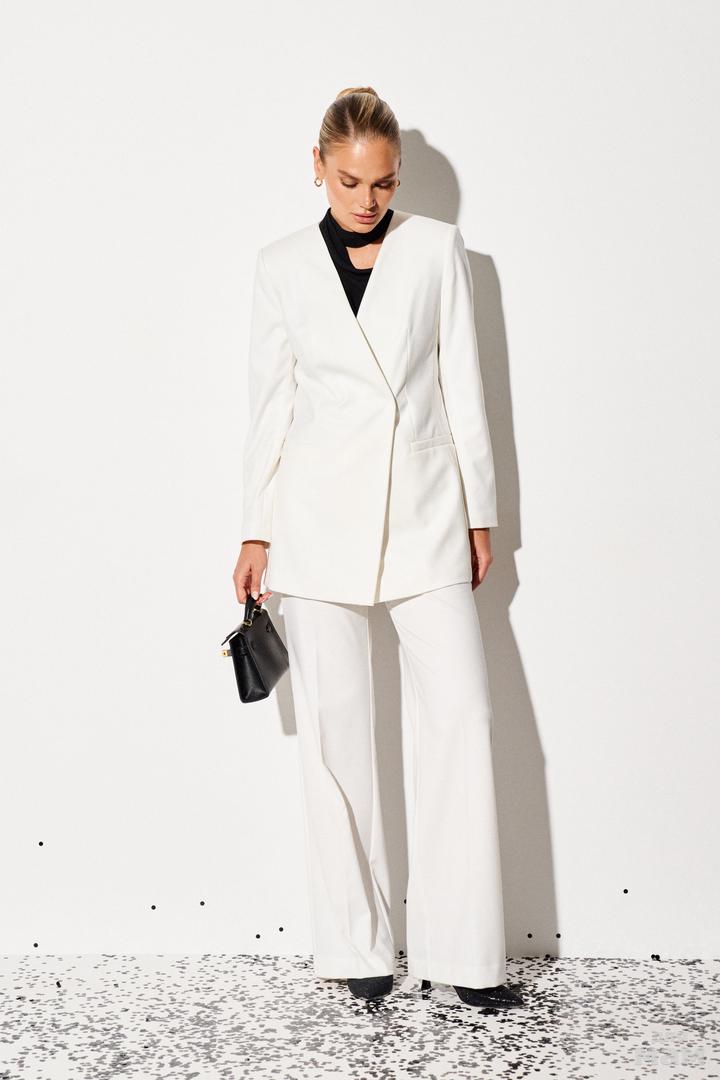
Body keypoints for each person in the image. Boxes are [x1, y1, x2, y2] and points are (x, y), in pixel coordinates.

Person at [232, 86, 523, 1010]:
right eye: (351, 180)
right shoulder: (280, 266)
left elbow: (463, 383)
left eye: (385, 182)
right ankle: (356, 945)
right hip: (314, 520)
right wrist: (255, 526)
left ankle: (466, 954)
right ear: (318, 167)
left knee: (462, 717)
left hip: (426, 512)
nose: (368, 199)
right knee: (333, 737)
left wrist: (480, 511)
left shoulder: (437, 249)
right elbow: (270, 406)